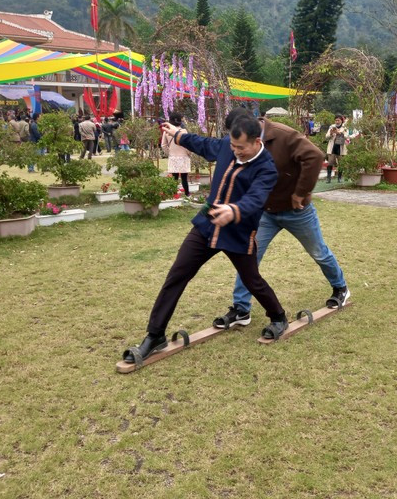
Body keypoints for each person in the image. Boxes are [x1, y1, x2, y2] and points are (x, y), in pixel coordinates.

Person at [122, 115, 289, 364]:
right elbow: (201, 143)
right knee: (177, 274)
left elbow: (256, 198)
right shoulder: (226, 146)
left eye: (241, 148)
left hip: (238, 231)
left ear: (256, 142)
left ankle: (278, 316)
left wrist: (233, 211)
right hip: (207, 224)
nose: (236, 152)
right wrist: (178, 134)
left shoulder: (267, 168)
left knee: (252, 280)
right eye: (233, 147)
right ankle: (155, 335)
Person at [213, 107, 350, 330]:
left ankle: (340, 288)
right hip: (266, 212)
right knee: (248, 257)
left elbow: (314, 156)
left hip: (298, 211)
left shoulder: (284, 135)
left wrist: (301, 192)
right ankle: (241, 309)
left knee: (318, 252)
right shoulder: (244, 144)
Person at [161, 112, 191, 196]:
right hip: (184, 156)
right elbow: (188, 144)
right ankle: (187, 193)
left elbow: (163, 145)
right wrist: (189, 153)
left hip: (173, 156)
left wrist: (169, 152)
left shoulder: (166, 132)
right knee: (184, 178)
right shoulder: (184, 131)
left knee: (174, 177)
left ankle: (174, 194)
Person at [325, 115, 348, 183]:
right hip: (332, 147)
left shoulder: (345, 128)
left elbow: (347, 136)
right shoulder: (332, 127)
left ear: (341, 121)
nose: (337, 122)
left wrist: (340, 133)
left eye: (338, 120)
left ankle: (339, 178)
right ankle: (328, 178)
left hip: (340, 147)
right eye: (336, 120)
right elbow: (326, 136)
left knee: (341, 164)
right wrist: (331, 133)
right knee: (330, 163)